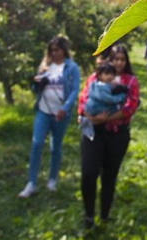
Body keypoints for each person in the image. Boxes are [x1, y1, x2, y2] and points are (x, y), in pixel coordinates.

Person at [78, 44, 140, 229]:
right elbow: (83, 100)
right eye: (115, 59)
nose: (119, 63)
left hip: (117, 134)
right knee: (89, 173)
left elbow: (130, 106)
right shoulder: (94, 78)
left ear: (126, 61)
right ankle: (89, 214)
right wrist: (91, 118)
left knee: (109, 176)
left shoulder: (130, 81)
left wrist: (107, 118)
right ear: (109, 60)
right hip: (93, 133)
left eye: (122, 59)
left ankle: (104, 214)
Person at [18, 36, 81, 198]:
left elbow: (74, 90)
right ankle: (32, 182)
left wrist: (66, 108)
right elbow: (35, 88)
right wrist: (37, 84)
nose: (54, 53)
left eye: (57, 50)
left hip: (60, 114)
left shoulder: (71, 67)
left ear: (64, 51)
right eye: (51, 50)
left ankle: (52, 179)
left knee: (55, 146)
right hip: (43, 110)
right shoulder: (45, 66)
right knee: (37, 143)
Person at [79, 63, 128, 141]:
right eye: (107, 74)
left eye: (112, 74)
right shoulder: (103, 88)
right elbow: (109, 99)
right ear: (99, 75)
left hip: (89, 107)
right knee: (116, 108)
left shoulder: (94, 84)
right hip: (97, 108)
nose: (110, 76)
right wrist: (121, 97)